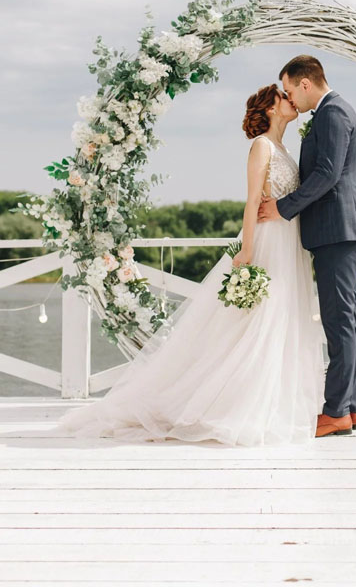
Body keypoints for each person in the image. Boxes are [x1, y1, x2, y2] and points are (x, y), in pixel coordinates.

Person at [56, 83, 326, 447]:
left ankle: (268, 402)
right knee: (258, 322)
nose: (291, 100)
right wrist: (247, 251)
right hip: (266, 242)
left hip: (288, 243)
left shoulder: (283, 149)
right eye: (283, 96)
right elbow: (250, 202)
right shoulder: (261, 145)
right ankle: (229, 405)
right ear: (272, 108)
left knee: (279, 320)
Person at [258, 55, 356, 437]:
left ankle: (337, 411)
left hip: (336, 229)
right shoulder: (335, 111)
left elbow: (327, 173)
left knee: (339, 321)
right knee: (348, 321)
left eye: (291, 89)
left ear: (305, 83)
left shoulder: (331, 114)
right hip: (340, 229)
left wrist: (282, 207)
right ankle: (351, 407)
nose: (291, 98)